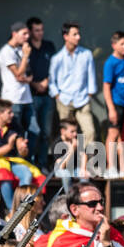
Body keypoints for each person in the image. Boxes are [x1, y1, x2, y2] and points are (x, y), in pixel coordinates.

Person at [48, 21, 98, 150]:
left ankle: (86, 165)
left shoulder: (86, 54)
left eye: (78, 34)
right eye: (74, 34)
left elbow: (91, 76)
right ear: (66, 37)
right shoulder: (57, 58)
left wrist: (90, 93)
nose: (78, 37)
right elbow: (52, 81)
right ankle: (68, 164)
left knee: (89, 131)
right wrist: (57, 96)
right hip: (64, 100)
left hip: (83, 100)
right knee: (67, 135)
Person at [0, 99, 34, 208]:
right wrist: (9, 146)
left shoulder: (15, 126)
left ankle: (21, 207)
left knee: (27, 174)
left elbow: (22, 151)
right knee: (4, 175)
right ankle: (12, 210)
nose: (12, 115)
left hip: (12, 162)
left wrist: (23, 148)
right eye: (9, 112)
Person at [24, 17, 56, 168]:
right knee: (32, 132)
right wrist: (35, 84)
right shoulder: (25, 47)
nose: (40, 33)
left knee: (46, 132)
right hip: (30, 96)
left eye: (41, 30)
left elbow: (55, 68)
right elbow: (21, 72)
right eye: (37, 30)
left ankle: (42, 163)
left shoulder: (49, 46)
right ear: (30, 31)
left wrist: (46, 82)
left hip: (47, 95)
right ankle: (30, 163)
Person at [102, 31, 124, 177]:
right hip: (115, 102)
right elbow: (106, 87)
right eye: (122, 44)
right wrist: (111, 108)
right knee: (112, 133)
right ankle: (110, 167)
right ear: (114, 45)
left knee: (122, 136)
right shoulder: (110, 63)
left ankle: (123, 168)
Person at [0, 21, 33, 133]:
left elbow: (29, 73)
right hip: (13, 99)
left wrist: (25, 78)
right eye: (24, 34)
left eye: (28, 34)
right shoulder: (6, 51)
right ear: (14, 34)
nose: (27, 37)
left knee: (34, 131)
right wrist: (26, 55)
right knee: (15, 133)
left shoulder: (21, 49)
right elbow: (18, 74)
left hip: (27, 98)